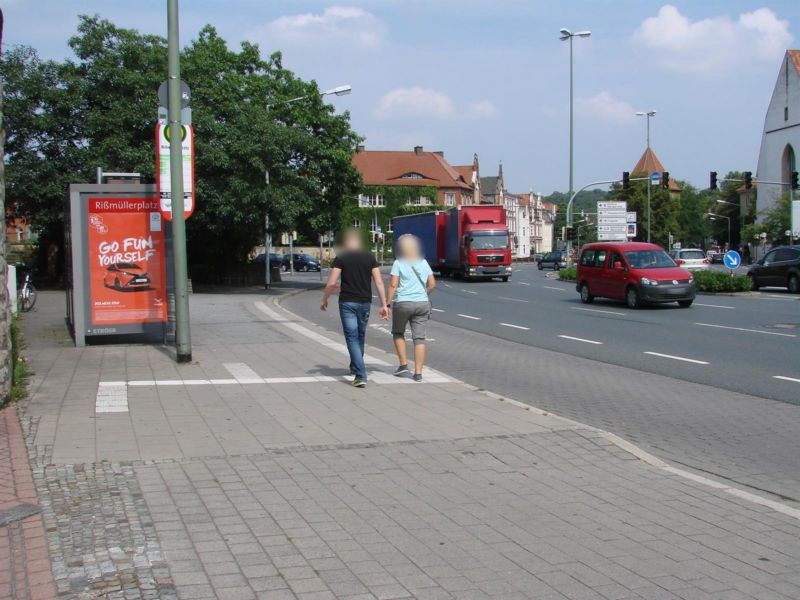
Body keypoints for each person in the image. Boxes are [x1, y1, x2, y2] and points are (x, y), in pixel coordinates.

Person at [321, 229, 388, 388]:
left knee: (351, 337)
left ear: (347, 242)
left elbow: (331, 283)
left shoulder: (341, 258)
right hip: (365, 302)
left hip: (347, 303)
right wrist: (384, 304)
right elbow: (378, 282)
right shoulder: (369, 258)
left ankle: (360, 374)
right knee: (360, 335)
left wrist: (324, 299)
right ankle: (355, 367)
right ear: (358, 241)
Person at [385, 234, 435, 382]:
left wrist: (387, 303)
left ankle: (403, 364)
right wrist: (423, 293)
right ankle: (418, 373)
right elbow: (432, 284)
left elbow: (393, 285)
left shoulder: (398, 263)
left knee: (398, 332)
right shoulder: (424, 262)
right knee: (419, 338)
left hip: (403, 303)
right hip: (422, 304)